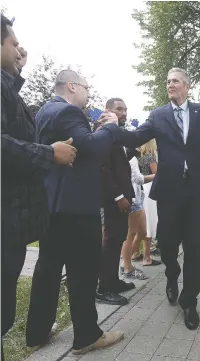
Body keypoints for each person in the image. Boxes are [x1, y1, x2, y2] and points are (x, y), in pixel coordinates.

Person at [114, 67, 200, 331]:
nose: (170, 84)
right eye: (168, 81)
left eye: (175, 81)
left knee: (193, 247)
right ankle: (171, 273)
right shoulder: (158, 115)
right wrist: (113, 128)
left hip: (198, 193)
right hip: (169, 192)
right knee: (167, 244)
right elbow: (135, 138)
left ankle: (189, 301)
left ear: (187, 86)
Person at [27, 70, 124, 355]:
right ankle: (86, 335)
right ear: (71, 86)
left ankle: (36, 333)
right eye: (85, 87)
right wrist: (111, 127)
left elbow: (77, 146)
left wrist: (92, 131)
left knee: (47, 268)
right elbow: (92, 149)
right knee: (82, 272)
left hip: (53, 205)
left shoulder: (45, 111)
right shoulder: (69, 111)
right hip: (77, 207)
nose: (88, 93)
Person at [1, 17, 76, 359]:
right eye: (14, 43)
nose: (21, 49)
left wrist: (15, 69)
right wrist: (50, 152)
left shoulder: (7, 85)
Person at [97, 98, 136, 306]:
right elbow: (102, 167)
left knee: (118, 238)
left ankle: (113, 280)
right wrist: (118, 196)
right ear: (108, 111)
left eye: (125, 109)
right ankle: (103, 288)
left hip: (122, 196)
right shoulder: (104, 133)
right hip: (112, 198)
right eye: (119, 109)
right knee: (111, 240)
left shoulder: (117, 134)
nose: (124, 113)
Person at [120, 149, 160, 280]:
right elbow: (138, 179)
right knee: (130, 234)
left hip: (138, 197)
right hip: (132, 198)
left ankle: (132, 256)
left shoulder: (133, 158)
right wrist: (156, 176)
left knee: (143, 231)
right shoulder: (131, 158)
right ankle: (126, 267)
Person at [134, 139, 160, 263]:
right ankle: (147, 257)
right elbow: (157, 174)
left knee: (141, 226)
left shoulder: (139, 157)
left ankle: (134, 253)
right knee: (149, 223)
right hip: (150, 187)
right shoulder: (151, 157)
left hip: (140, 188)